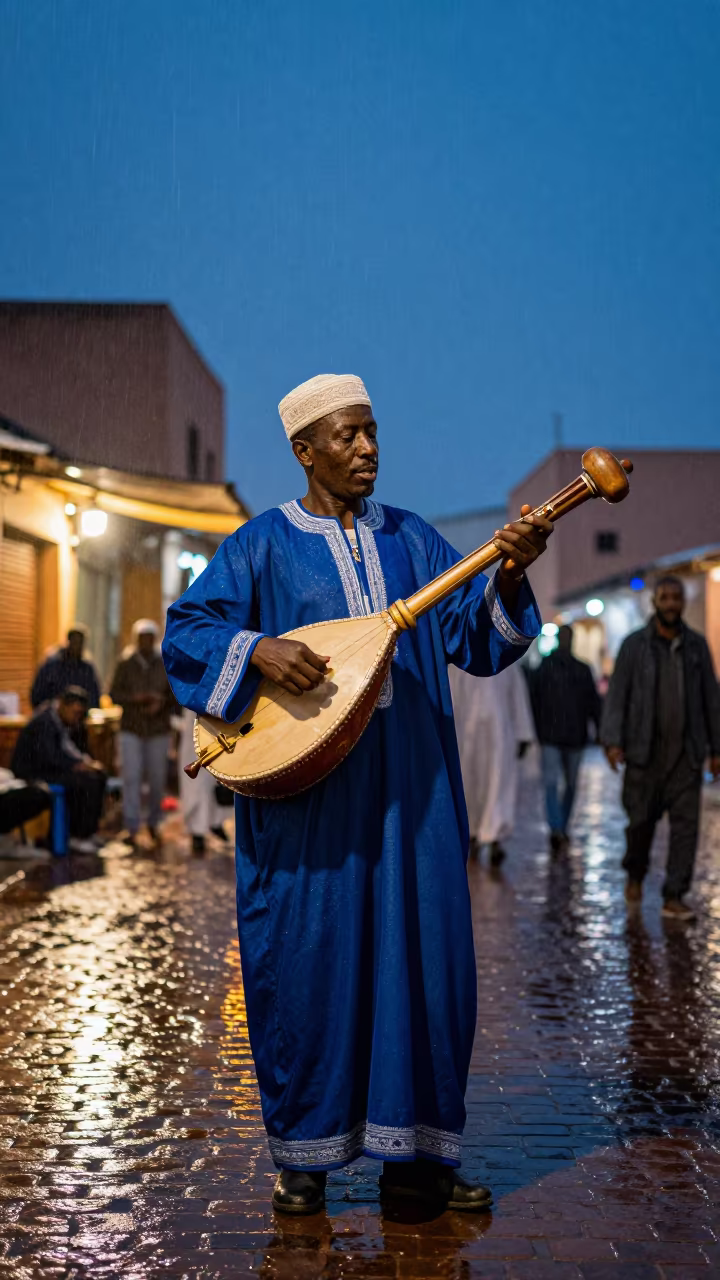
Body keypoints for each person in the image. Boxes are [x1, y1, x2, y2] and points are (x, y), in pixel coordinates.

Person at [163, 373, 551, 1215]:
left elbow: (476, 638)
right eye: (347, 436)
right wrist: (259, 649)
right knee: (305, 962)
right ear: (304, 451)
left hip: (413, 799)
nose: (368, 448)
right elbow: (186, 635)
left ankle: (417, 1163)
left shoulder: (413, 540)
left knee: (424, 963)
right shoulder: (259, 545)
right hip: (307, 811)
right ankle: (304, 1159)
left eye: (373, 431)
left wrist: (512, 578)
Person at [601, 576, 720, 920]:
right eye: (665, 598)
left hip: (687, 755)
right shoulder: (634, 646)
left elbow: (711, 699)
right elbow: (617, 697)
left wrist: (715, 748)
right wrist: (612, 741)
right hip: (643, 755)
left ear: (683, 603)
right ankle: (635, 874)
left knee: (686, 829)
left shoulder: (696, 646)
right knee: (640, 825)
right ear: (655, 602)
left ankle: (674, 895)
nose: (671, 604)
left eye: (676, 598)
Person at [449, 661, 535, 866]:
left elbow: (517, 699)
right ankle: (473, 835)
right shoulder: (460, 663)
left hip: (499, 736)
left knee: (498, 786)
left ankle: (495, 836)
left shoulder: (506, 663)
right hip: (467, 737)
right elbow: (452, 700)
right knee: (470, 787)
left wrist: (523, 734)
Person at [529, 624, 601, 852]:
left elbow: (593, 703)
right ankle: (556, 827)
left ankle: (560, 826)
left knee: (569, 784)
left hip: (572, 736)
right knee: (553, 783)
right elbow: (535, 700)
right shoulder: (547, 666)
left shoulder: (581, 669)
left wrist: (599, 729)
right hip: (554, 735)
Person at [11, 687, 107, 853]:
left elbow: (70, 749)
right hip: (34, 771)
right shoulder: (44, 722)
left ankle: (89, 831)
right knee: (83, 782)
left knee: (98, 776)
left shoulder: (65, 722)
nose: (77, 716)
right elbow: (49, 756)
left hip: (52, 768)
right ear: (63, 705)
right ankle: (77, 836)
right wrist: (77, 765)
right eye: (74, 712)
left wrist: (85, 762)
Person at [110, 619, 176, 849]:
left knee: (157, 778)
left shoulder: (164, 663)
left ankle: (154, 823)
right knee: (132, 778)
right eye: (142, 638)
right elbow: (114, 693)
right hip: (132, 728)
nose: (146, 642)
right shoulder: (126, 663)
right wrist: (135, 700)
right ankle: (131, 826)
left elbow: (176, 696)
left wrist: (161, 703)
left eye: (150, 638)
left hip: (158, 729)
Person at [179, 706, 232, 854]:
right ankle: (197, 830)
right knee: (196, 775)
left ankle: (217, 821)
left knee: (220, 766)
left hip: (221, 708)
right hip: (195, 708)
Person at [31, 625, 101, 710]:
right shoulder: (51, 665)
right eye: (74, 642)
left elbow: (95, 697)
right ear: (68, 642)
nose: (77, 647)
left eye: (80, 643)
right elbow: (37, 696)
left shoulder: (87, 668)